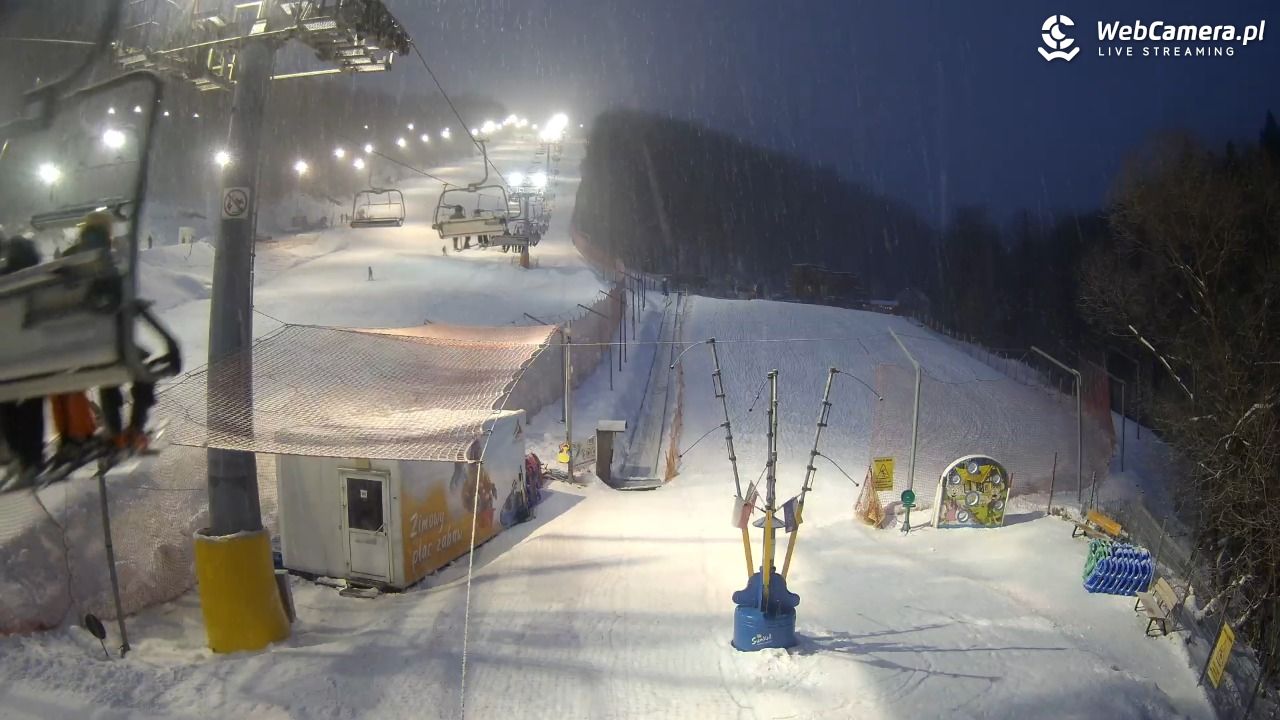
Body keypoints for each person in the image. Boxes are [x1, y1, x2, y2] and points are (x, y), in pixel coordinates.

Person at [62, 212, 155, 451]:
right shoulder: (107, 259)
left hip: (70, 345)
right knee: (141, 365)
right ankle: (134, 427)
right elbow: (114, 300)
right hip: (105, 343)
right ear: (108, 231)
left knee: (107, 369)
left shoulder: (66, 259)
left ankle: (113, 429)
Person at [0, 236, 47, 483]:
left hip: (6, 356)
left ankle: (19, 456)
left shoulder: (5, 276)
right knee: (32, 406)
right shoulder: (40, 277)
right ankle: (33, 458)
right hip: (33, 354)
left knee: (7, 408)